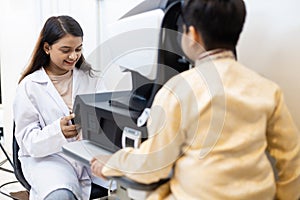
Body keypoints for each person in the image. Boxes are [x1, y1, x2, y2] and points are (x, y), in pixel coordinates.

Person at [90, 0, 300, 199]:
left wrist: (111, 164)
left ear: (193, 34)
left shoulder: (178, 89)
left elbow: (153, 165)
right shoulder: (267, 89)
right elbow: (291, 161)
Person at [13, 15, 107, 200]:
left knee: (134, 186)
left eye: (78, 49)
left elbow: (106, 117)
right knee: (61, 195)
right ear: (47, 48)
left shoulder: (92, 79)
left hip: (89, 157)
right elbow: (27, 141)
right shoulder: (30, 86)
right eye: (66, 50)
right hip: (49, 159)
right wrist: (59, 132)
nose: (74, 56)